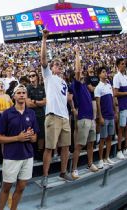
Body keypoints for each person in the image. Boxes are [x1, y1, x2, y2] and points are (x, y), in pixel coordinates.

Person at [0, 84, 38, 210]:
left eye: (23, 93)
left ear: (26, 96)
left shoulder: (31, 113)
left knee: (21, 187)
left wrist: (30, 136)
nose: (21, 95)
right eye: (18, 92)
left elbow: (35, 138)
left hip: (27, 156)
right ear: (14, 96)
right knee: (6, 188)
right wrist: (17, 138)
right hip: (12, 157)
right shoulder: (7, 114)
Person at [40, 28, 73, 188]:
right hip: (52, 116)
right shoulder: (49, 77)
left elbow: (65, 99)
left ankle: (63, 171)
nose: (59, 66)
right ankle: (45, 176)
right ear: (51, 68)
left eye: (61, 65)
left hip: (65, 117)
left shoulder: (64, 82)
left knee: (66, 147)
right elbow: (43, 60)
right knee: (49, 147)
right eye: (56, 64)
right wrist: (44, 39)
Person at [71, 46, 98, 180]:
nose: (82, 74)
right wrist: (77, 53)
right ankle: (74, 169)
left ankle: (90, 163)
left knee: (91, 143)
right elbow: (77, 69)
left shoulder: (85, 87)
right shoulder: (76, 85)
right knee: (79, 145)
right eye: (80, 74)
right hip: (83, 119)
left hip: (91, 119)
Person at [95, 67, 117, 168]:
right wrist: (100, 116)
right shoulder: (98, 87)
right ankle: (100, 160)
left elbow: (112, 100)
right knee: (102, 139)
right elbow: (98, 104)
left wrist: (115, 111)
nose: (105, 73)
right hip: (104, 116)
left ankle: (107, 157)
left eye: (105, 72)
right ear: (99, 75)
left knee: (109, 138)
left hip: (111, 115)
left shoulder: (109, 85)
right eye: (103, 72)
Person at [26, 70, 46, 160]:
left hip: (41, 114)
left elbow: (45, 102)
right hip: (31, 115)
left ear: (37, 76)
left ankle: (40, 152)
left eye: (33, 75)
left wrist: (34, 101)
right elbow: (28, 104)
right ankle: (31, 152)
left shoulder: (42, 88)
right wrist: (39, 103)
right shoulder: (27, 88)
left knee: (41, 134)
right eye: (30, 76)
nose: (31, 77)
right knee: (31, 134)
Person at [113, 58, 127, 159]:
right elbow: (115, 93)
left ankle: (125, 148)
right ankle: (119, 150)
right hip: (122, 106)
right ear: (118, 66)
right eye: (122, 64)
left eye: (124, 64)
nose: (124, 65)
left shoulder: (125, 77)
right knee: (121, 128)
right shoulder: (116, 77)